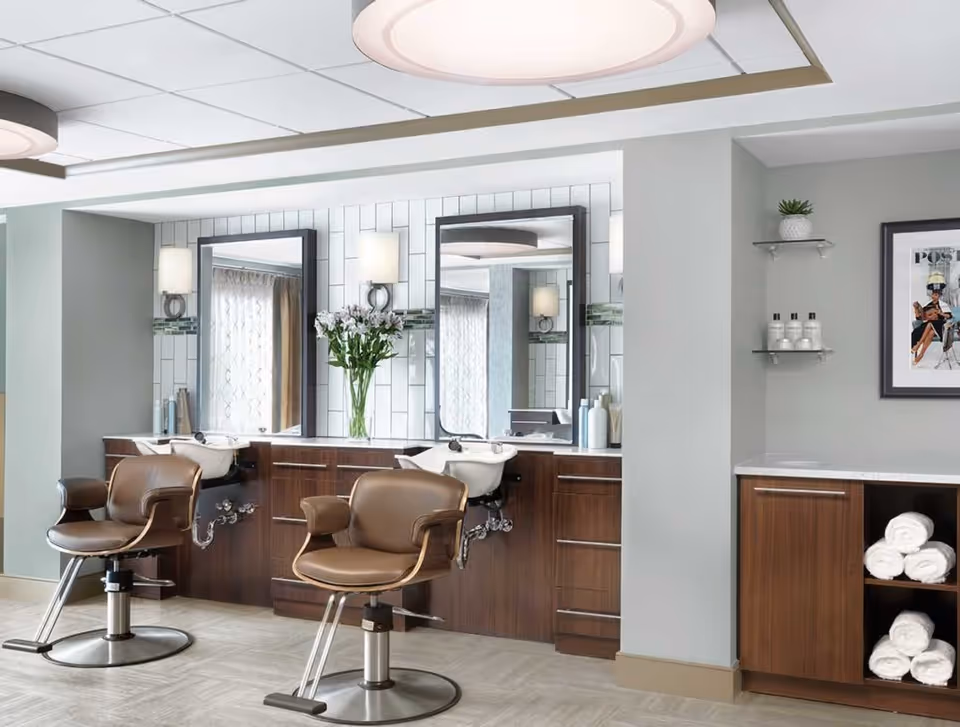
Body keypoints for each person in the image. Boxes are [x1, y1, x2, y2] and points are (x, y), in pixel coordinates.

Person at [912, 287, 953, 364]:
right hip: (929, 327)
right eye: (933, 294)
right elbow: (919, 318)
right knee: (930, 331)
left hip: (940, 325)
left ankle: (918, 345)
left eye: (936, 295)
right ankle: (921, 355)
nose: (934, 296)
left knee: (931, 323)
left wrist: (941, 313)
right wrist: (916, 309)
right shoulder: (928, 305)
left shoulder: (943, 305)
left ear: (939, 296)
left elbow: (949, 316)